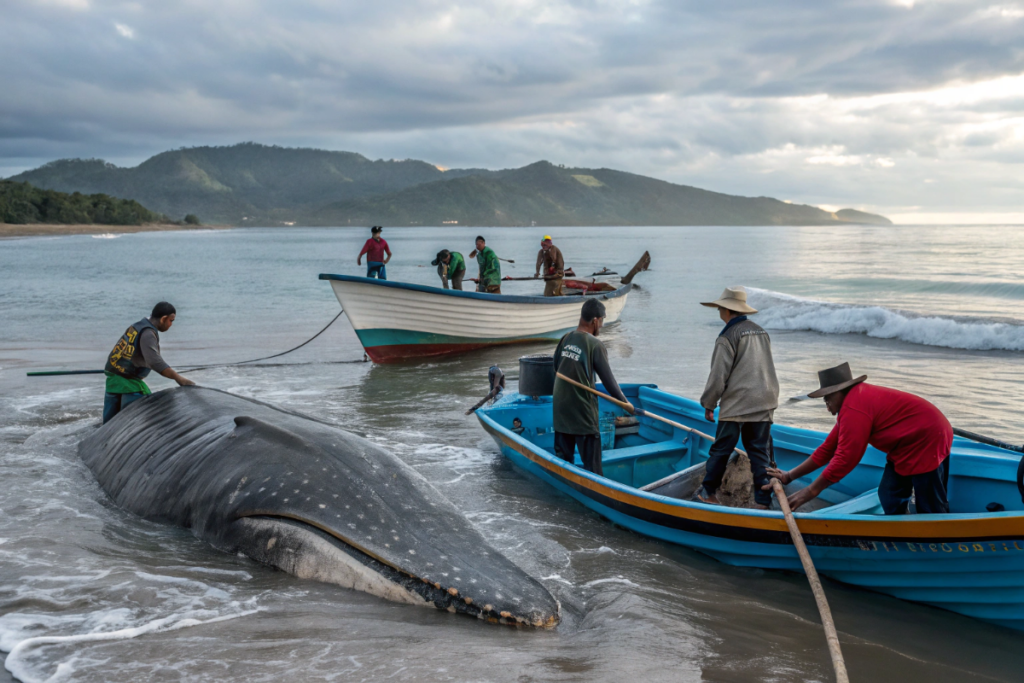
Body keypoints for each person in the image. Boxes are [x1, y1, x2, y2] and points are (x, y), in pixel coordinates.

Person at [765, 363, 952, 514]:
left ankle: (940, 542)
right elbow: (828, 450)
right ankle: (904, 532)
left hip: (926, 438)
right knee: (889, 495)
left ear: (841, 391)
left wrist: (810, 491)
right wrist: (789, 476)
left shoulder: (854, 408)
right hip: (906, 444)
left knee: (930, 505)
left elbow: (846, 459)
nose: (827, 405)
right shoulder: (853, 404)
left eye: (828, 398)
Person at [697, 287, 780, 509]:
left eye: (720, 308)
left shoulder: (727, 336)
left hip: (738, 402)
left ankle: (707, 492)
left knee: (722, 449)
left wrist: (708, 404)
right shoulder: (761, 331)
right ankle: (763, 501)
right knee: (759, 452)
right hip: (765, 398)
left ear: (724, 310)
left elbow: (718, 376)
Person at [552, 298, 640, 476]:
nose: (602, 325)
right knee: (593, 468)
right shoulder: (595, 345)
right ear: (595, 321)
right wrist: (625, 403)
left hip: (560, 411)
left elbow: (556, 366)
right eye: (602, 320)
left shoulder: (566, 338)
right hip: (582, 414)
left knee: (563, 463)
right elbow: (609, 381)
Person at [103, 302, 195, 424]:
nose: (171, 324)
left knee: (109, 425)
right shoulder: (148, 333)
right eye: (171, 321)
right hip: (128, 383)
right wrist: (179, 379)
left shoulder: (137, 326)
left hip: (113, 379)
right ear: (163, 319)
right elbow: (155, 362)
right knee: (136, 423)